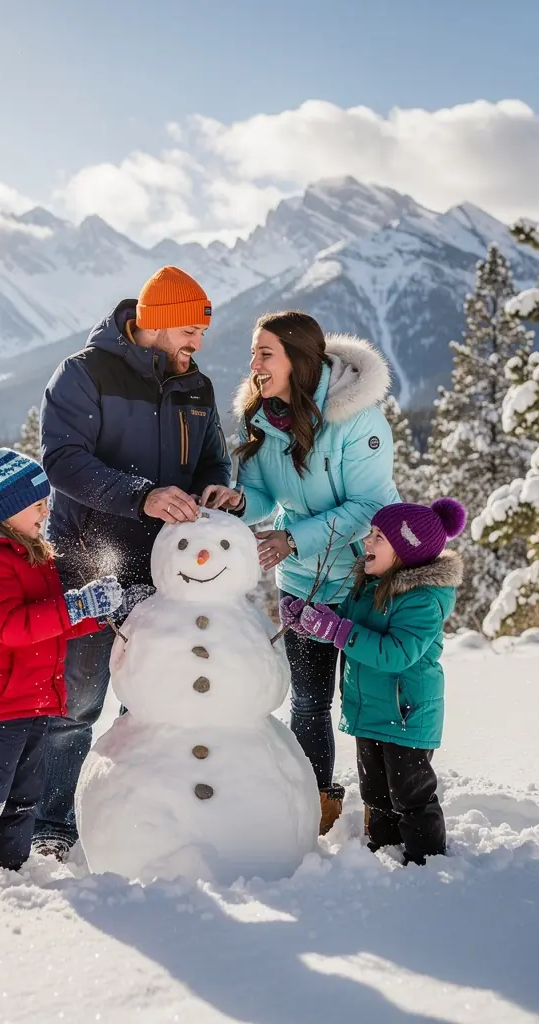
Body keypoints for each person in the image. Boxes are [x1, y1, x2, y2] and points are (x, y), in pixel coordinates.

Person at [34, 266, 232, 859]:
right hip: (89, 566)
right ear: (162, 321)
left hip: (169, 572)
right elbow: (62, 460)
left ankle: (141, 818)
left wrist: (221, 490)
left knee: (152, 704)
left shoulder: (195, 387)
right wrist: (139, 495)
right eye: (192, 331)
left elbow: (213, 462)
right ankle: (53, 826)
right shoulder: (84, 374)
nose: (198, 345)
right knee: (78, 702)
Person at [202, 311, 399, 835]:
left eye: (266, 353)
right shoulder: (263, 417)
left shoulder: (358, 419)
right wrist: (239, 500)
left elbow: (371, 506)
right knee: (310, 701)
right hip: (301, 579)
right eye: (253, 353)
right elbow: (268, 494)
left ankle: (389, 807)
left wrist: (293, 538)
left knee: (367, 699)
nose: (254, 364)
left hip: (366, 576)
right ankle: (317, 803)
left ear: (299, 359)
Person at [0, 433, 124, 879]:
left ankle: (5, 868)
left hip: (32, 696)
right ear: (7, 507)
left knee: (23, 795)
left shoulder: (28, 554)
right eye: (37, 505)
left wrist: (95, 613)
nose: (46, 513)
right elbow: (12, 627)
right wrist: (77, 605)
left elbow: (47, 623)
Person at [290, 498, 466, 865]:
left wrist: (337, 630)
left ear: (405, 550)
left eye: (379, 537)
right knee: (375, 792)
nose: (367, 542)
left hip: (405, 714)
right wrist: (312, 621)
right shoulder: (370, 587)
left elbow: (396, 653)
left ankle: (427, 860)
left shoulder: (422, 600)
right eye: (371, 533)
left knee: (409, 794)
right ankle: (383, 851)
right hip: (369, 709)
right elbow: (346, 627)